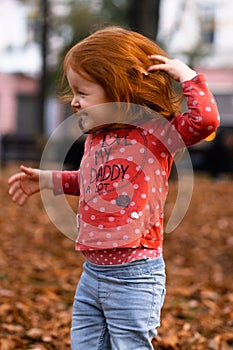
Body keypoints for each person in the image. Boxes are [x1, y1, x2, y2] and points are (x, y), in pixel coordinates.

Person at [8, 26, 220, 350]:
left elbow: (205, 122)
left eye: (83, 92)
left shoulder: (155, 135)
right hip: (92, 273)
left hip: (135, 275)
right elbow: (91, 183)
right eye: (73, 93)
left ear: (118, 88)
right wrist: (46, 180)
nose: (74, 103)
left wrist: (188, 76)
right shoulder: (97, 139)